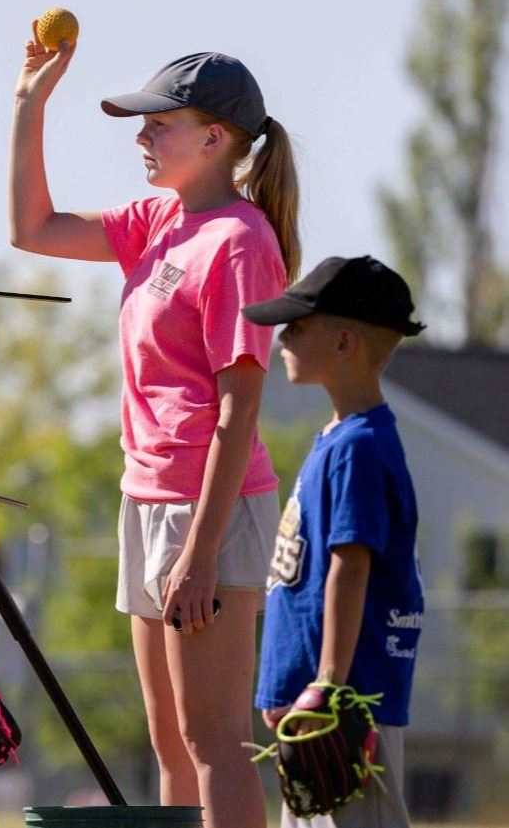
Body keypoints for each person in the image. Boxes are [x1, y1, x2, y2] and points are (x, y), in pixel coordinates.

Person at [10, 33, 300, 828]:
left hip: (209, 510)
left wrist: (200, 552)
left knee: (214, 742)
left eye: (157, 124)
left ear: (214, 139)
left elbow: (239, 410)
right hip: (146, 499)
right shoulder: (156, 220)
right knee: (172, 743)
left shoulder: (239, 242)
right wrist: (30, 103)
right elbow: (31, 228)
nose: (141, 136)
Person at [243, 255, 426, 828]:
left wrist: (326, 685)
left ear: (345, 342)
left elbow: (351, 566)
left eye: (297, 327)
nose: (283, 338)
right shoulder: (339, 439)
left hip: (346, 710)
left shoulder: (359, 447)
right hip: (317, 705)